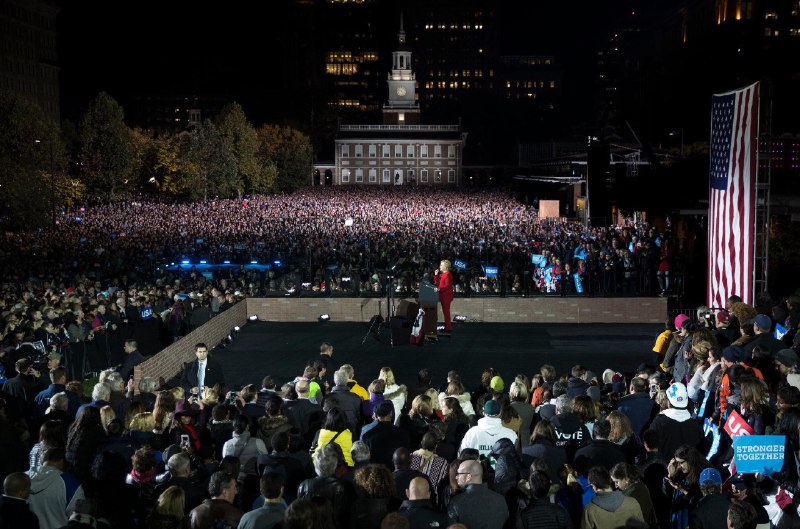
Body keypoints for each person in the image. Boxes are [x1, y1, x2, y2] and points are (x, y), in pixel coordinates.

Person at [446, 459, 509, 529]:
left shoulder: (456, 502)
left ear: (468, 477)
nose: (456, 477)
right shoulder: (501, 499)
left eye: (459, 474)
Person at [433, 259, 454, 334]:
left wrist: (439, 289)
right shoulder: (442, 274)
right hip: (443, 296)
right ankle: (447, 327)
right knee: (445, 312)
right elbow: (437, 283)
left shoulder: (448, 274)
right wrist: (436, 275)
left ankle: (448, 328)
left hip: (446, 296)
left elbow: (447, 286)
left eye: (441, 265)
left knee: (446, 312)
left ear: (446, 266)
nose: (440, 266)